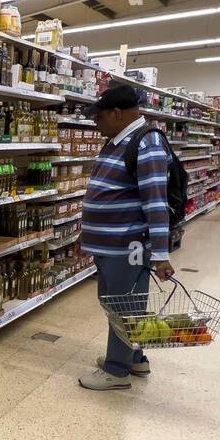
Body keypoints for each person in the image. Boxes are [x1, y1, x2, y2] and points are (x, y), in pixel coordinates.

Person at [77, 83, 175, 392]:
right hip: (112, 245)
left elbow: (156, 203)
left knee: (123, 305)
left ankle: (116, 371)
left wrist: (160, 254)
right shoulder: (119, 139)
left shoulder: (146, 144)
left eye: (100, 116)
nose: (96, 122)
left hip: (128, 245)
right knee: (119, 303)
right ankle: (135, 357)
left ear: (118, 114)